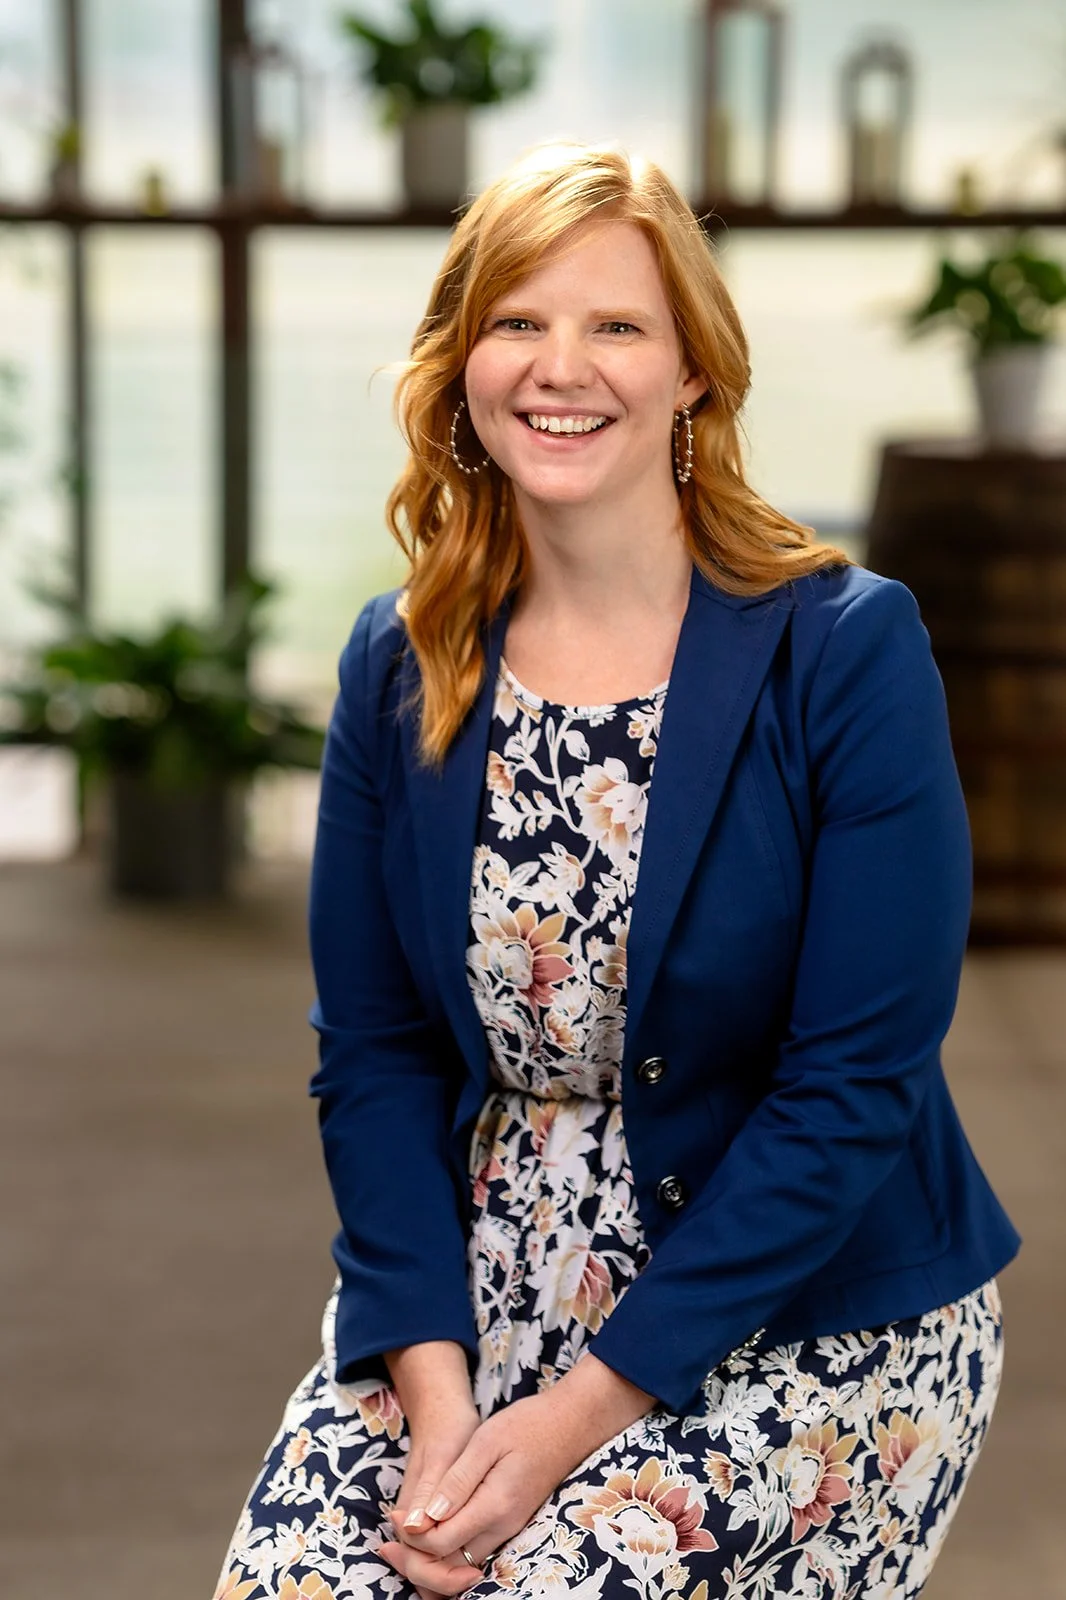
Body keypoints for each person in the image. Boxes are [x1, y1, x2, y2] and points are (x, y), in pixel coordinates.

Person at [215, 141, 1020, 1600]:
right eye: (515, 322)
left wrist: (573, 1426)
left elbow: (853, 1089)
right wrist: (445, 1404)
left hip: (801, 1310)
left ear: (692, 373)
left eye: (615, 325)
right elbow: (375, 1056)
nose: (557, 367)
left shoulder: (842, 651)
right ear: (460, 366)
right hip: (472, 1296)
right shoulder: (398, 664)